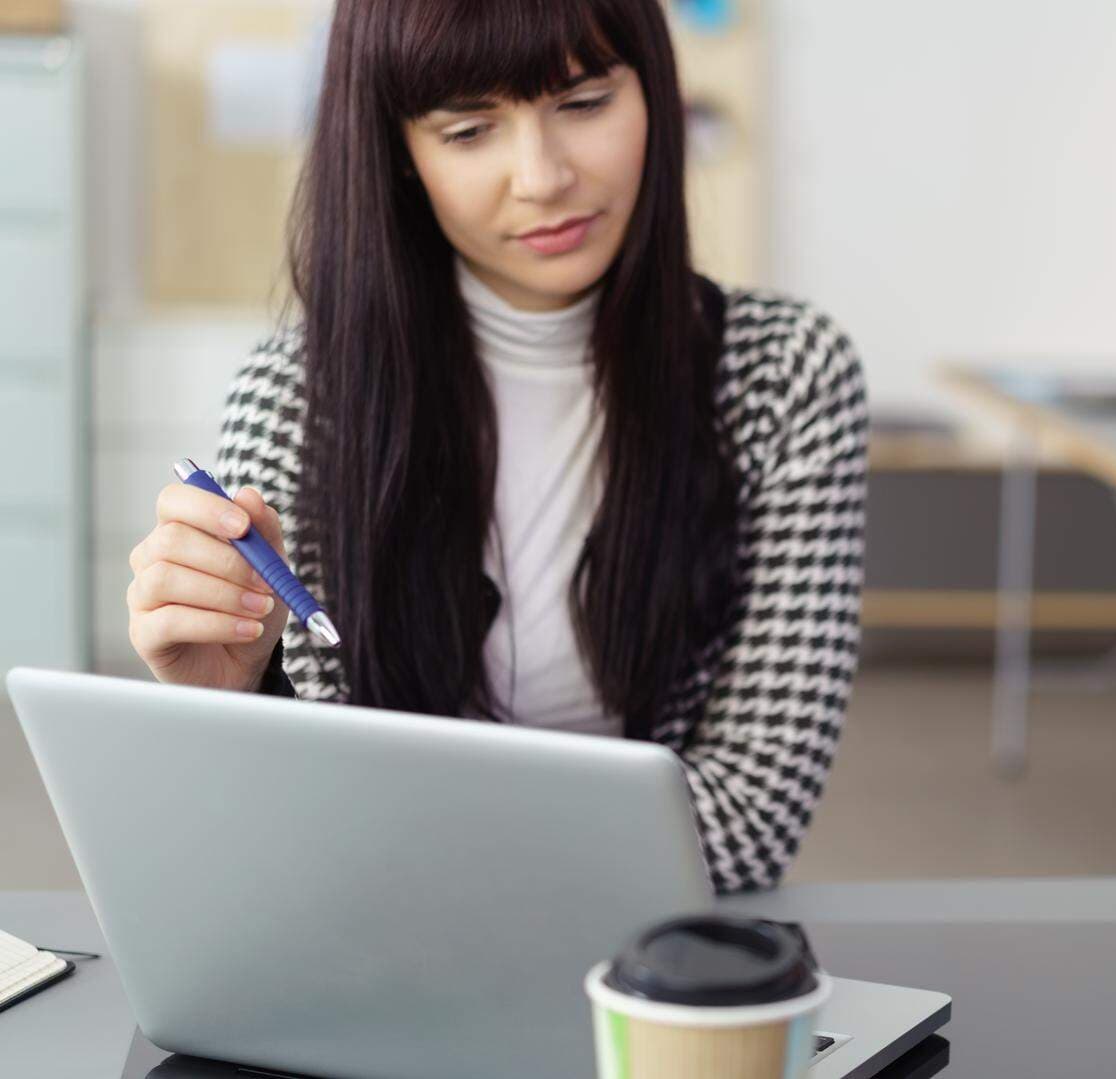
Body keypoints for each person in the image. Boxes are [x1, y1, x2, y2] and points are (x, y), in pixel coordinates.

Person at [124, 0, 868, 895]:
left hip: (658, 969)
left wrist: (406, 832)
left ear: (656, 95)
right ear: (401, 149)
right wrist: (238, 703)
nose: (543, 177)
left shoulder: (785, 375)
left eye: (585, 103)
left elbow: (750, 819)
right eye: (471, 128)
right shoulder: (299, 393)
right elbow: (306, 817)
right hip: (381, 955)